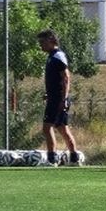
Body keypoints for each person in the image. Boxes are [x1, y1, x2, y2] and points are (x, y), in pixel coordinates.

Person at [36, 30, 81, 167]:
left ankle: (52, 160)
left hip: (58, 99)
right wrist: (49, 93)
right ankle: (74, 159)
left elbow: (66, 77)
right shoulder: (51, 56)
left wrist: (64, 98)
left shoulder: (58, 56)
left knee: (47, 127)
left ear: (51, 40)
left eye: (42, 42)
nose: (41, 45)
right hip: (54, 97)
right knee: (62, 128)